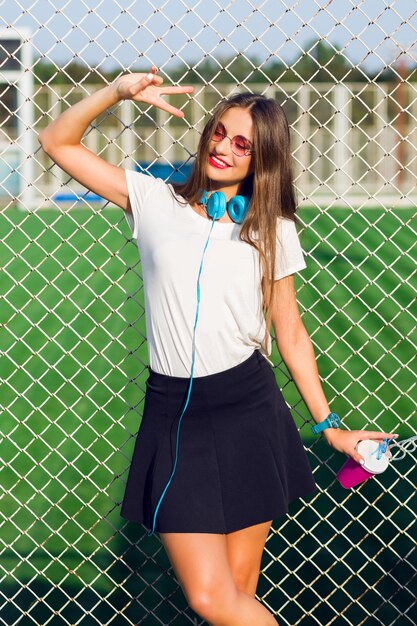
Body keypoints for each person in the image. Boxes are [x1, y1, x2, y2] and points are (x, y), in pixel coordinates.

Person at [38, 66, 397, 626]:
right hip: (174, 413)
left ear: (261, 159)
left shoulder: (272, 227)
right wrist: (116, 92)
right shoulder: (153, 201)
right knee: (211, 598)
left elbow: (291, 332)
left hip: (249, 409)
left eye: (242, 144)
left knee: (236, 592)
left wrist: (331, 427)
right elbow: (56, 141)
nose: (223, 148)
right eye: (219, 132)